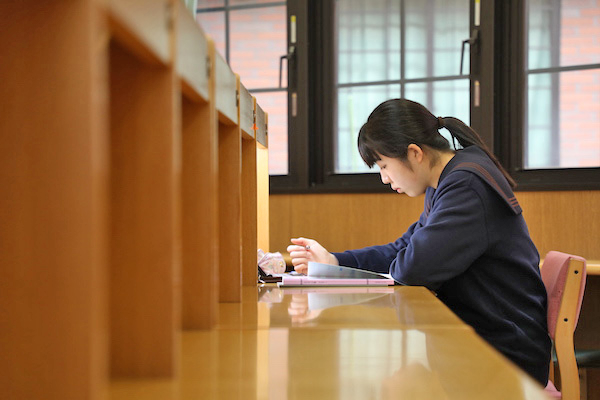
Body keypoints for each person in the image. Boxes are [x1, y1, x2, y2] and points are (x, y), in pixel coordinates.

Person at [287, 98, 551, 386]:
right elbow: (404, 250)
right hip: (482, 339)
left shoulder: (466, 186)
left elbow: (412, 269)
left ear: (414, 153)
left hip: (503, 353)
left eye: (384, 165)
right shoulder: (449, 181)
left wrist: (386, 264)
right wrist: (335, 262)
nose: (385, 179)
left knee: (378, 382)